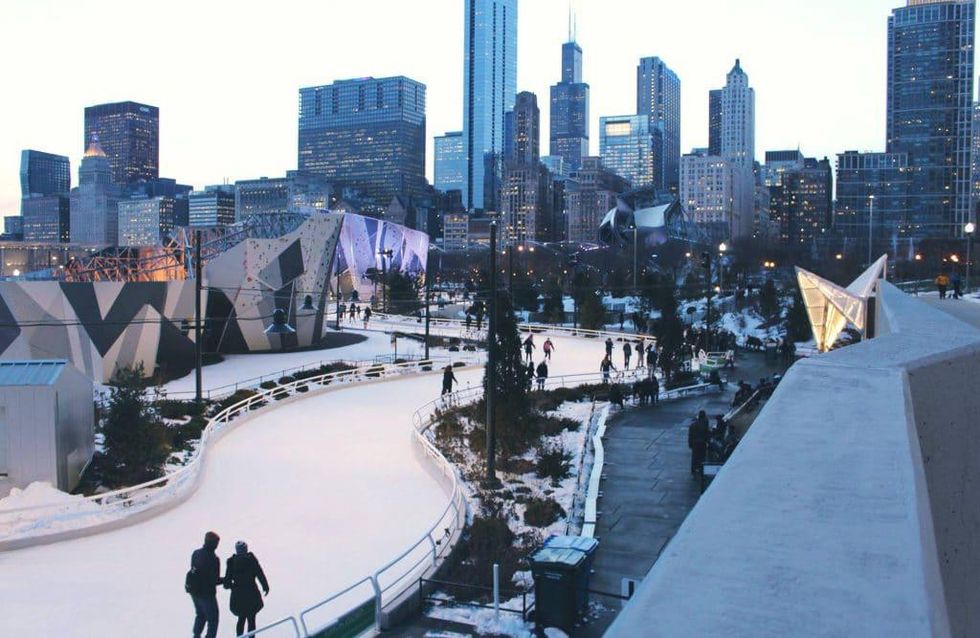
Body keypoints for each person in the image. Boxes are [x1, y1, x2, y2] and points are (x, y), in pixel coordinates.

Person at [224, 541, 270, 637]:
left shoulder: (231, 562)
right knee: (251, 619)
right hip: (251, 594)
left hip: (238, 596)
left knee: (241, 619)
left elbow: (226, 583)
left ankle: (239, 636)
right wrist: (265, 586)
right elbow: (259, 573)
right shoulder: (251, 560)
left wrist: (233, 586)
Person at [188, 531, 223, 638]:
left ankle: (196, 635)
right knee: (213, 620)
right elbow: (214, 580)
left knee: (200, 615)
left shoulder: (196, 553)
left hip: (194, 591)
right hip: (207, 595)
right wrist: (226, 580)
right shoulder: (214, 559)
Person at [688, 411, 710, 478]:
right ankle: (701, 469)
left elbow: (690, 435)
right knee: (702, 457)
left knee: (694, 457)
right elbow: (706, 433)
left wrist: (690, 443)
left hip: (695, 443)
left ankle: (693, 470)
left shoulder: (693, 425)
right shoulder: (705, 423)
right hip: (702, 442)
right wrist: (707, 441)